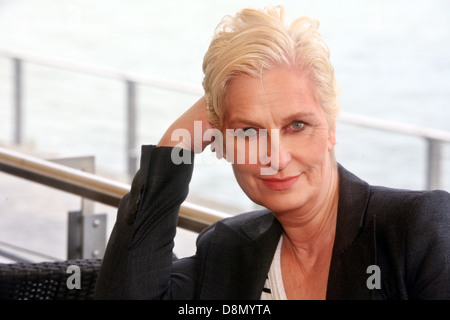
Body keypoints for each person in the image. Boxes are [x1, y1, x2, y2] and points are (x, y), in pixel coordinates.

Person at [94, 6, 450, 300]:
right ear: (222, 143)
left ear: (332, 129)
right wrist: (176, 143)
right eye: (249, 132)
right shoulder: (227, 251)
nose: (275, 158)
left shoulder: (417, 229)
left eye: (296, 125)